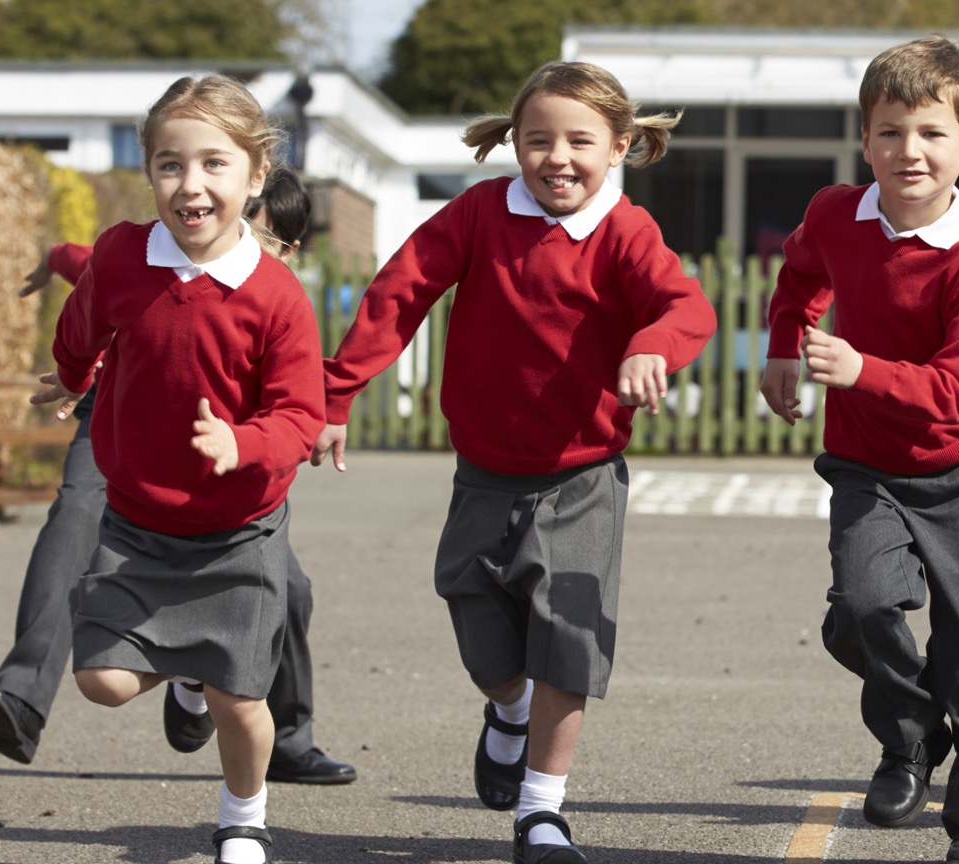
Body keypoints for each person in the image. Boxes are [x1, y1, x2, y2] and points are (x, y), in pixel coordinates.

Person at [308, 61, 714, 864]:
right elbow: (398, 293)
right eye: (538, 141)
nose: (557, 158)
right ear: (515, 144)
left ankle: (543, 812)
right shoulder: (482, 213)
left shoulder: (625, 232)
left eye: (580, 142)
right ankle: (508, 709)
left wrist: (651, 349)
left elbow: (685, 306)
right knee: (483, 634)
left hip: (583, 474)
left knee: (568, 638)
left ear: (621, 148)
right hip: (486, 472)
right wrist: (336, 394)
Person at [0, 168, 356, 788]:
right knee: (75, 520)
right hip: (125, 421)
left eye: (263, 238)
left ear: (288, 249)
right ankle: (22, 693)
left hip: (221, 449)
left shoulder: (271, 298)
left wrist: (292, 427)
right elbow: (88, 266)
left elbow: (296, 401)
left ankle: (277, 734)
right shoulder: (147, 254)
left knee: (291, 590)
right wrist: (53, 265)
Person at [30, 74, 325, 864]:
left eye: (213, 165)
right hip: (137, 520)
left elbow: (299, 415)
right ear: (149, 169)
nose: (190, 185)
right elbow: (84, 321)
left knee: (239, 698)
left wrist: (244, 444)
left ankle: (243, 817)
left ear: (256, 175)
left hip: (239, 529)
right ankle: (185, 674)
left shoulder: (277, 297)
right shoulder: (124, 254)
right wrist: (69, 374)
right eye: (169, 165)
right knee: (103, 681)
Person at [760, 34, 959, 864]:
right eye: (888, 132)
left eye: (930, 132)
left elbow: (957, 387)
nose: (908, 151)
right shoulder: (836, 213)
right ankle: (909, 738)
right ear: (864, 139)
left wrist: (859, 368)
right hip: (868, 466)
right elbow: (801, 275)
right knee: (865, 610)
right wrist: (784, 342)